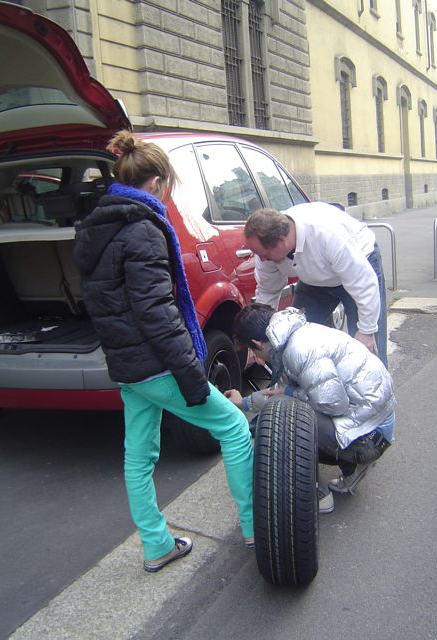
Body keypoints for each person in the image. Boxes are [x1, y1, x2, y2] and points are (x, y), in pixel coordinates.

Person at [73, 130, 254, 572]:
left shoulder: (99, 227)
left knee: (139, 454)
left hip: (128, 365)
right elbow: (157, 312)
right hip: (156, 365)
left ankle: (156, 545)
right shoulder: (143, 230)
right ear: (155, 183)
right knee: (233, 427)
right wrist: (191, 374)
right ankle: (256, 527)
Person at [226, 303, 396, 512]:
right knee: (285, 410)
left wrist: (288, 394)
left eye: (252, 351)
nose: (254, 357)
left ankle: (319, 495)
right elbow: (282, 391)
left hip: (370, 436)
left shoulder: (300, 350)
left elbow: (333, 405)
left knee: (286, 425)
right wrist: (244, 402)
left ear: (257, 343)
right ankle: (351, 470)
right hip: (372, 422)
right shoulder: (294, 334)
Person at [243, 204, 388, 368]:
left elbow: (363, 282)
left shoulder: (327, 234)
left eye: (265, 255)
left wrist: (366, 331)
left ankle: (378, 387)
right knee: (292, 338)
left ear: (281, 241)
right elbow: (267, 292)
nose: (262, 260)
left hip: (359, 269)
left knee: (368, 350)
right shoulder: (266, 250)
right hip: (315, 280)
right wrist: (260, 340)